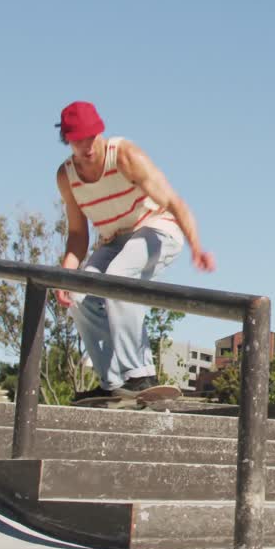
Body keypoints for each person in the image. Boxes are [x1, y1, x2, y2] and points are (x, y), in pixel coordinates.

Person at [54, 100, 215, 402]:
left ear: (100, 132)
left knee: (118, 277)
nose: (87, 147)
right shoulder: (67, 177)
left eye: (91, 138)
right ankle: (113, 380)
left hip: (158, 229)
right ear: (67, 140)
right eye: (78, 141)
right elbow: (77, 235)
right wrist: (67, 275)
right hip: (114, 241)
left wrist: (197, 247)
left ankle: (140, 373)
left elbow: (173, 201)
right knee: (78, 295)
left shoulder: (126, 156)